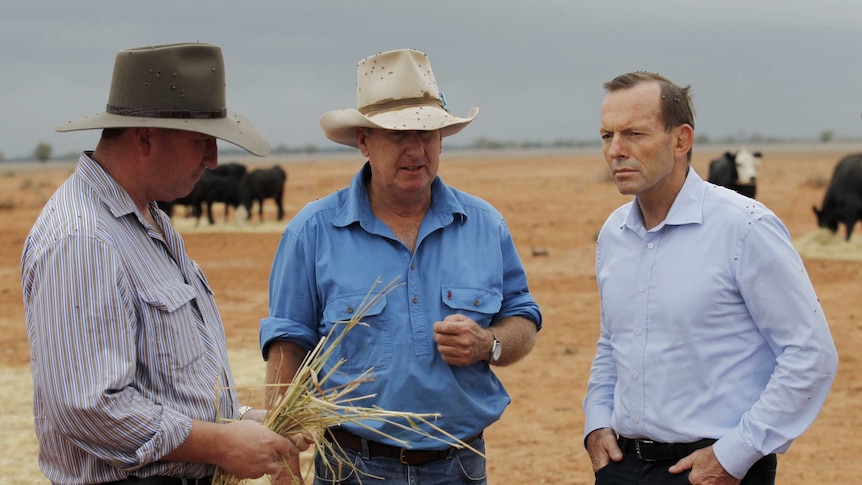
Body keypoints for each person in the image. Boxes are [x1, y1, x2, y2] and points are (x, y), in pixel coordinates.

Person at [21, 42, 309, 485]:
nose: (213, 159)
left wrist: (242, 420)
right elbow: (89, 408)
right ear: (145, 137)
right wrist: (220, 444)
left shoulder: (147, 219)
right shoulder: (83, 239)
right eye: (201, 141)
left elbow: (167, 383)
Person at [260, 48, 543, 485]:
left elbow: (523, 318)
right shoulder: (312, 232)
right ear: (363, 141)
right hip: (351, 468)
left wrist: (489, 343)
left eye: (428, 134)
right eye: (397, 134)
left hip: (461, 466)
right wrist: (283, 468)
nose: (416, 149)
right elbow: (287, 346)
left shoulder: (485, 225)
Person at [582, 71, 839, 485]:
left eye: (633, 134)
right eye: (606, 135)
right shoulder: (615, 234)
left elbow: (811, 354)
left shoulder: (745, 228)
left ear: (681, 140)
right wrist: (596, 422)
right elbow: (613, 340)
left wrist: (736, 453)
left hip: (716, 471)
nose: (616, 150)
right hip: (621, 466)